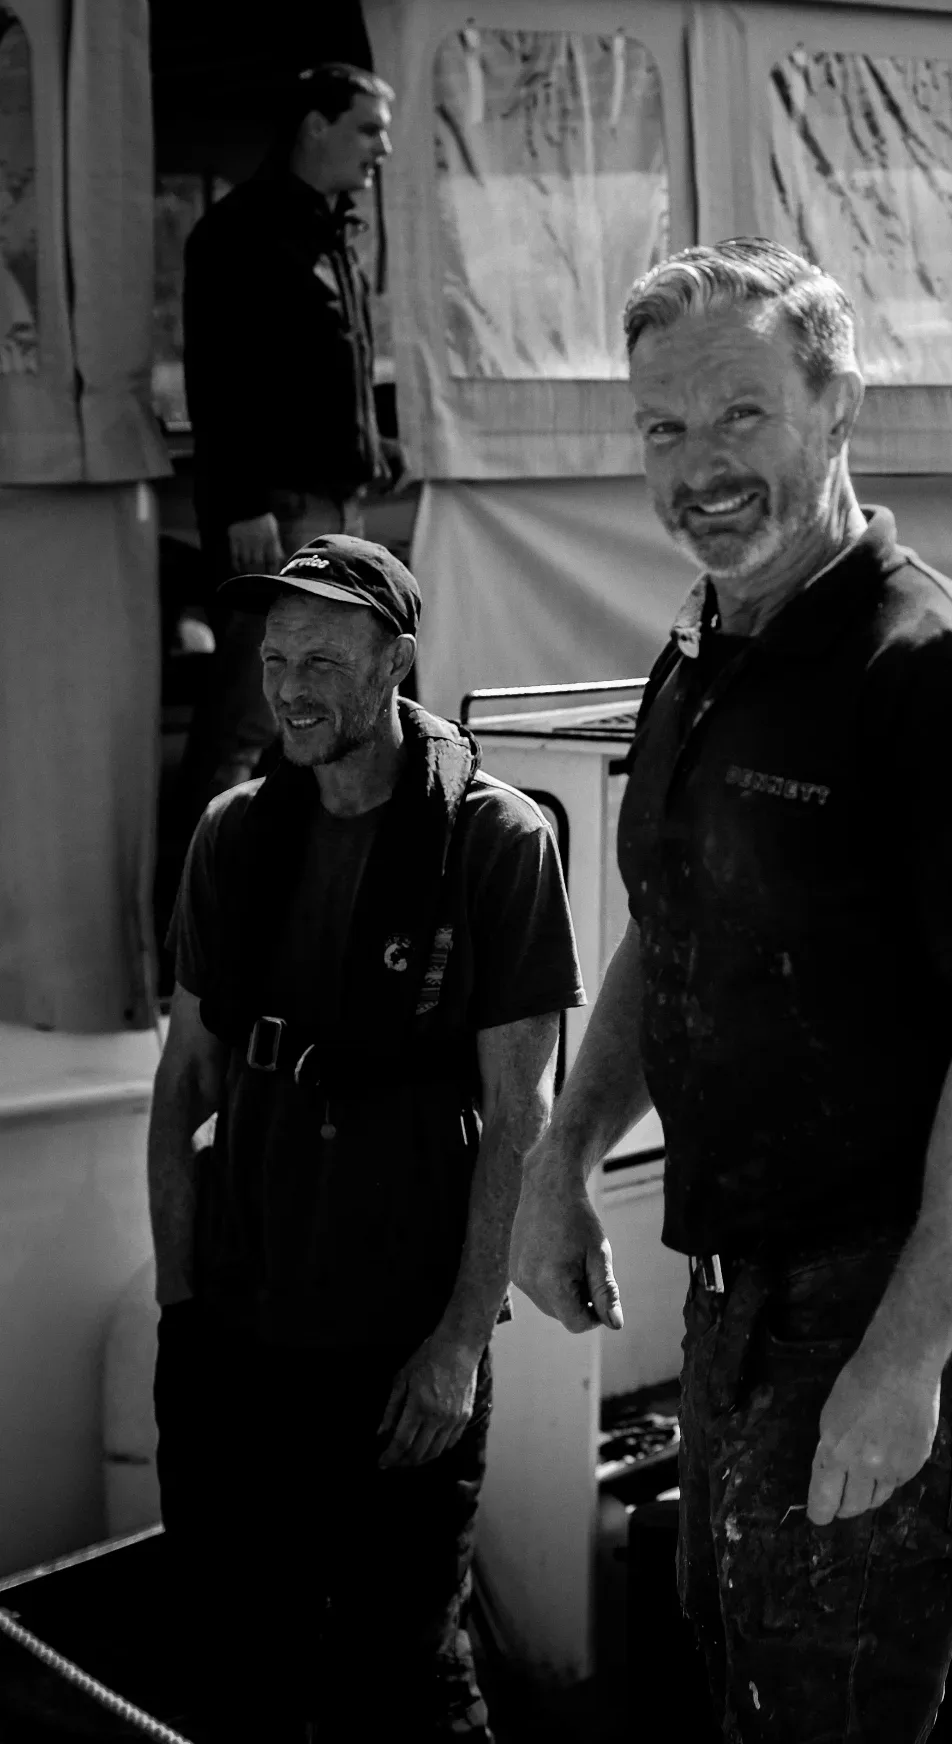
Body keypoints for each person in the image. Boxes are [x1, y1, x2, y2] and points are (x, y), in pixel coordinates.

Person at [510, 238, 952, 1741]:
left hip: (890, 1299)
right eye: (662, 429)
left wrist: (902, 1362)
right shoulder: (705, 656)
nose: (698, 467)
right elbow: (672, 926)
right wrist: (564, 1156)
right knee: (743, 1683)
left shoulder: (947, 680)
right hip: (738, 1303)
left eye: (742, 415)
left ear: (840, 407)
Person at [148, 536, 584, 1742]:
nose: (290, 686)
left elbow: (521, 1118)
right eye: (278, 656)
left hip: (405, 1357)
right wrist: (182, 1312)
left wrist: (456, 1345)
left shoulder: (495, 843)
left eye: (326, 659)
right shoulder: (235, 836)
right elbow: (184, 1078)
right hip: (238, 1339)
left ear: (396, 661)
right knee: (240, 1667)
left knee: (406, 1679)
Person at [177, 62, 401, 812]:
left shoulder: (329, 229)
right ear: (315, 126)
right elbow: (220, 375)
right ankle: (196, 907)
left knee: (324, 716)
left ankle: (291, 899)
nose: (383, 149)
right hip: (274, 516)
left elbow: (326, 367)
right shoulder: (240, 232)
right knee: (252, 714)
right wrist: (243, 502)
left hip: (336, 509)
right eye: (368, 128)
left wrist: (377, 449)